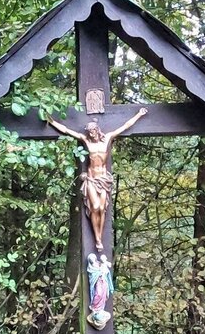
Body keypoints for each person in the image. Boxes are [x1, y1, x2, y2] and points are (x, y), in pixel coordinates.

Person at [46, 108, 148, 252]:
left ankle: (99, 236)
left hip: (104, 179)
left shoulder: (108, 138)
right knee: (94, 207)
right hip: (92, 179)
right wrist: (51, 121)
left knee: (101, 209)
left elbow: (125, 126)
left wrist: (138, 114)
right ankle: (98, 239)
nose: (91, 134)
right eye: (89, 132)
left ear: (97, 130)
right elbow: (67, 130)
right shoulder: (86, 141)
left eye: (93, 131)